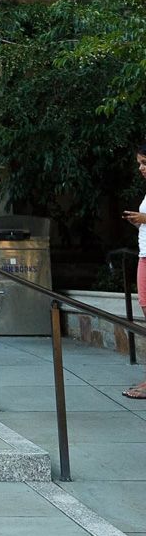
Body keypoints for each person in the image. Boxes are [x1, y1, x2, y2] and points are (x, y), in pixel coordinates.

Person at [121, 141, 146, 398]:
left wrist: (144, 219)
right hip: (144, 256)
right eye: (139, 163)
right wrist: (137, 224)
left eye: (145, 163)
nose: (141, 168)